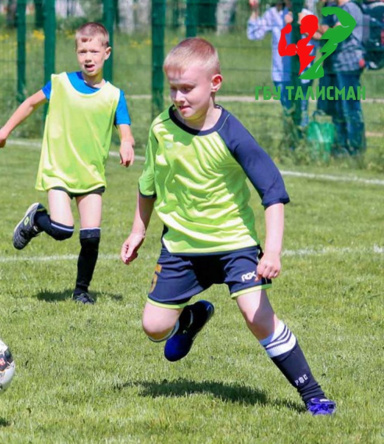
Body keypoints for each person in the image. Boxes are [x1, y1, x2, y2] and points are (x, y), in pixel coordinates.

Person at [120, 38, 335, 415]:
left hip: (234, 245)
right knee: (153, 328)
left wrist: (271, 250)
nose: (179, 97)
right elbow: (148, 184)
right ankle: (192, 317)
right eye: (173, 88)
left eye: (188, 88)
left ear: (215, 83)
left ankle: (313, 394)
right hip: (181, 247)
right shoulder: (160, 128)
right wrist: (138, 230)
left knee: (258, 316)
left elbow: (272, 192)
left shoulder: (233, 134)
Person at [0, 22, 135, 305]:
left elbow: (125, 129)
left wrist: (127, 143)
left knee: (91, 237)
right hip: (58, 169)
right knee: (63, 230)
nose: (88, 57)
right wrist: (4, 132)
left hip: (90, 174)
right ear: (76, 53)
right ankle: (35, 219)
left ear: (107, 53)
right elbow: (31, 103)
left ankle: (81, 291)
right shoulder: (61, 83)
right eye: (83, 51)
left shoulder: (114, 95)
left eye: (94, 51)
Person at [247, 0, 315, 135]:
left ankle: (302, 145)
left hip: (302, 75)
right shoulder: (274, 14)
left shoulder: (307, 15)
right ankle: (290, 144)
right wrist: (255, 10)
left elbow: (315, 44)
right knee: (287, 112)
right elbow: (254, 34)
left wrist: (300, 25)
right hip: (281, 75)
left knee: (302, 111)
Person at [315, 0, 366, 154]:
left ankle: (356, 149)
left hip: (348, 66)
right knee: (338, 109)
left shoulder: (349, 8)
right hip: (338, 66)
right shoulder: (338, 9)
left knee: (350, 108)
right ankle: (342, 146)